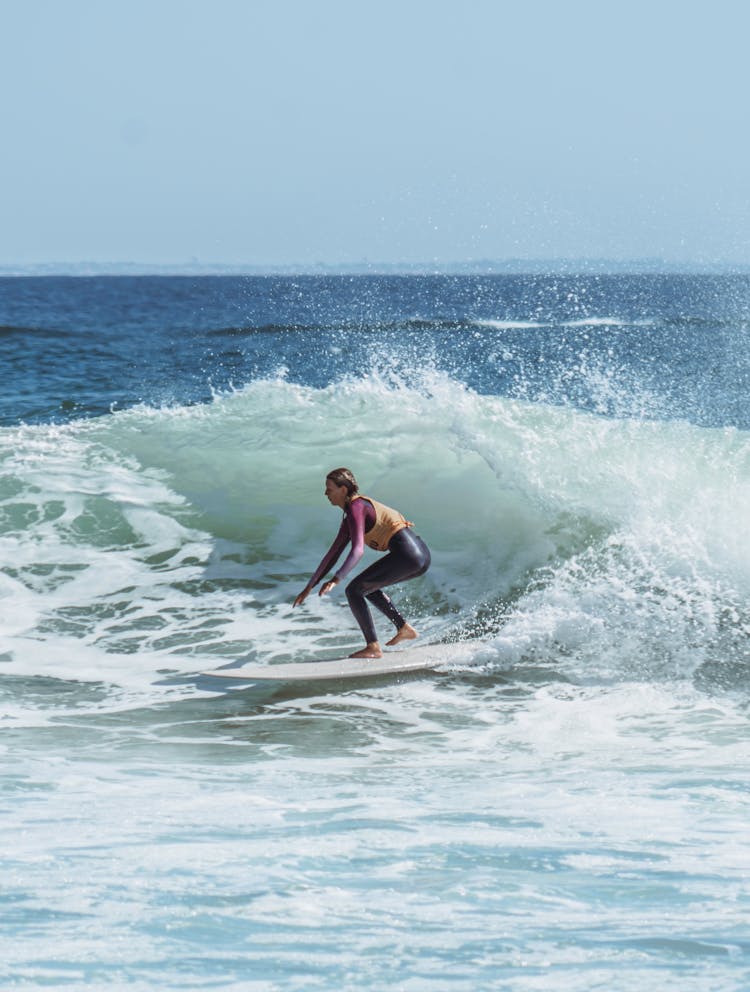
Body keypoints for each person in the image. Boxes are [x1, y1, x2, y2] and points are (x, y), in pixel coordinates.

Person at [293, 468, 431, 659]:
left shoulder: (356, 507)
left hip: (409, 554)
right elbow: (333, 553)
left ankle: (373, 647)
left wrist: (336, 579)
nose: (325, 493)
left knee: (353, 590)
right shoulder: (351, 515)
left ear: (342, 489)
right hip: (420, 556)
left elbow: (358, 549)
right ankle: (403, 628)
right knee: (368, 587)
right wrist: (310, 586)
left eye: (329, 489)